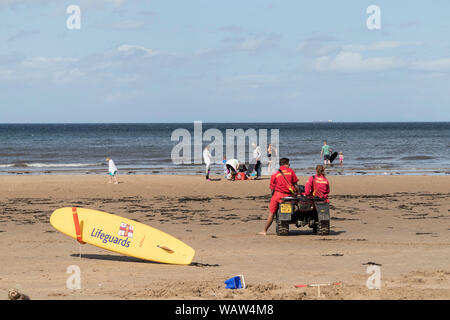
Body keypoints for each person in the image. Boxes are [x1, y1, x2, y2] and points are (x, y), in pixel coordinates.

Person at [258, 158, 298, 235]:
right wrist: (297, 192)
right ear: (286, 164)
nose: (289, 165)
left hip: (277, 195)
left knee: (271, 214)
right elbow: (295, 184)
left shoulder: (275, 174)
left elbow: (271, 188)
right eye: (289, 164)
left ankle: (264, 231)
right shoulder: (291, 172)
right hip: (288, 196)